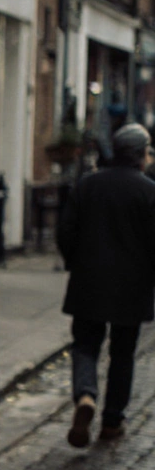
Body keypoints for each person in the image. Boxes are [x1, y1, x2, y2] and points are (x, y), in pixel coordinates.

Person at [59, 123, 155, 447]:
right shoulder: (149, 191)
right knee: (123, 354)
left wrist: (75, 264)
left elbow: (66, 231)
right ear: (141, 155)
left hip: (89, 282)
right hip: (132, 288)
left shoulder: (88, 185)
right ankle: (112, 421)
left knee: (85, 346)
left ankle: (85, 395)